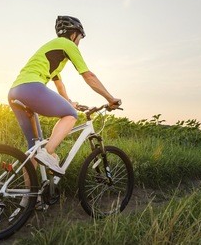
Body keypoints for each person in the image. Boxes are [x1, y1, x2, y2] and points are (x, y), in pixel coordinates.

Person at [8, 15, 121, 175]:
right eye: (80, 38)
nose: (79, 42)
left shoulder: (52, 52)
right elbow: (88, 76)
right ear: (73, 34)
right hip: (31, 87)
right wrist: (110, 99)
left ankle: (28, 198)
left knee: (34, 148)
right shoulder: (67, 44)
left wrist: (69, 101)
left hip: (15, 92)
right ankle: (48, 153)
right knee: (70, 114)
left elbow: (60, 85)